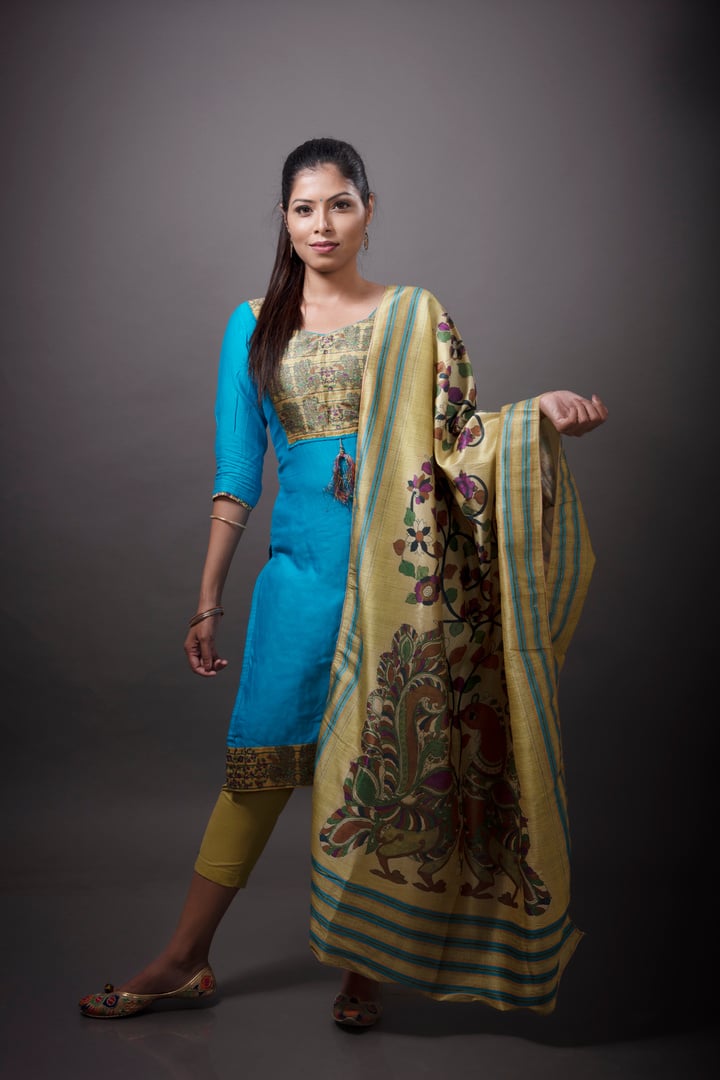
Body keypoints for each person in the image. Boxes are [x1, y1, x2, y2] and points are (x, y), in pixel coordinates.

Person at [79, 138, 607, 1026]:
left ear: (369, 210)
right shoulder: (253, 325)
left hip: (400, 582)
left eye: (339, 205)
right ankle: (183, 960)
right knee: (257, 772)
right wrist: (208, 599)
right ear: (284, 220)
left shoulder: (413, 313)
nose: (321, 224)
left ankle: (366, 968)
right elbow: (237, 472)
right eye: (302, 208)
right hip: (301, 582)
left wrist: (537, 416)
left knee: (381, 768)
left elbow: (460, 440)